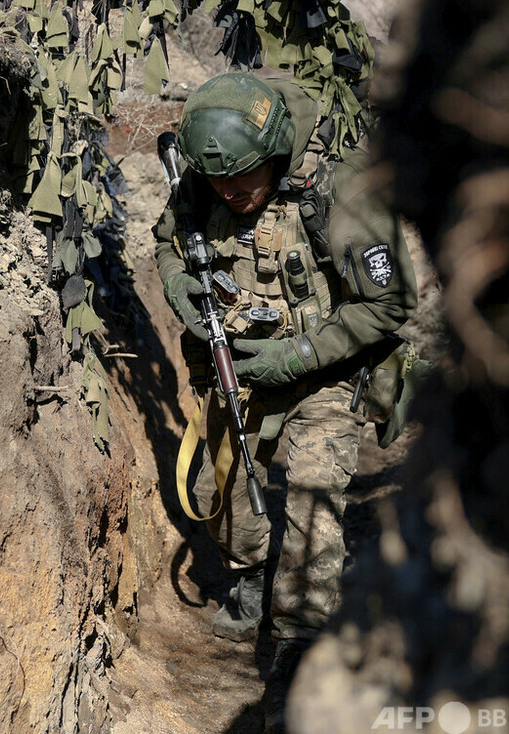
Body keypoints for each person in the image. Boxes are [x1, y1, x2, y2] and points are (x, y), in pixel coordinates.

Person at [153, 72, 418, 729]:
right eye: (216, 183)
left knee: (309, 489)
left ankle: (298, 642)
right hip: (239, 361)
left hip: (325, 367)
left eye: (242, 181)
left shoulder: (340, 196)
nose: (228, 195)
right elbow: (167, 243)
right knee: (227, 492)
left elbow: (389, 302)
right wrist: (182, 292)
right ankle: (246, 573)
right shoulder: (205, 179)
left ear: (274, 157)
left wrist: (294, 358)